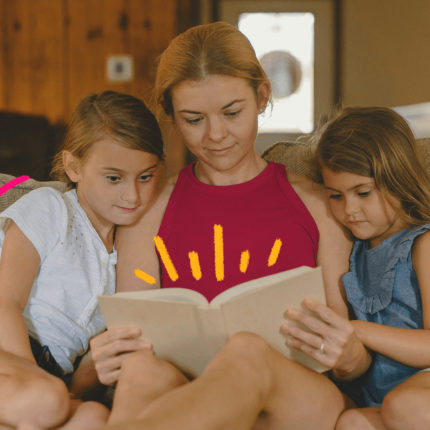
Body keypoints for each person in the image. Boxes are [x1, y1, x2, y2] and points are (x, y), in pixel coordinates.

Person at [91, 22, 360, 429]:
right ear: (171, 115)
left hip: (298, 397)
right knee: (142, 372)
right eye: (193, 119)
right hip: (185, 392)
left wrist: (350, 355)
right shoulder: (149, 210)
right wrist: (113, 356)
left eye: (232, 112)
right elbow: (136, 341)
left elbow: (350, 356)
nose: (216, 135)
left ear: (262, 95)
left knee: (247, 350)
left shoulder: (318, 202)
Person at [0, 90, 164, 429]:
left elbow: (77, 365)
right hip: (10, 353)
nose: (132, 195)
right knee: (46, 400)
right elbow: (5, 302)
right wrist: (33, 377)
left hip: (51, 376)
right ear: (74, 166)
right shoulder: (50, 208)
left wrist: (80, 379)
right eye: (114, 178)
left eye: (145, 176)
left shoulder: (127, 258)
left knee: (95, 418)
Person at [307, 106, 430, 429]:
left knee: (405, 406)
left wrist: (357, 331)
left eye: (363, 193)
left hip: (421, 389)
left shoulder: (423, 245)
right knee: (350, 423)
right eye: (335, 196)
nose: (350, 210)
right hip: (382, 401)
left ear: (397, 179)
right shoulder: (353, 253)